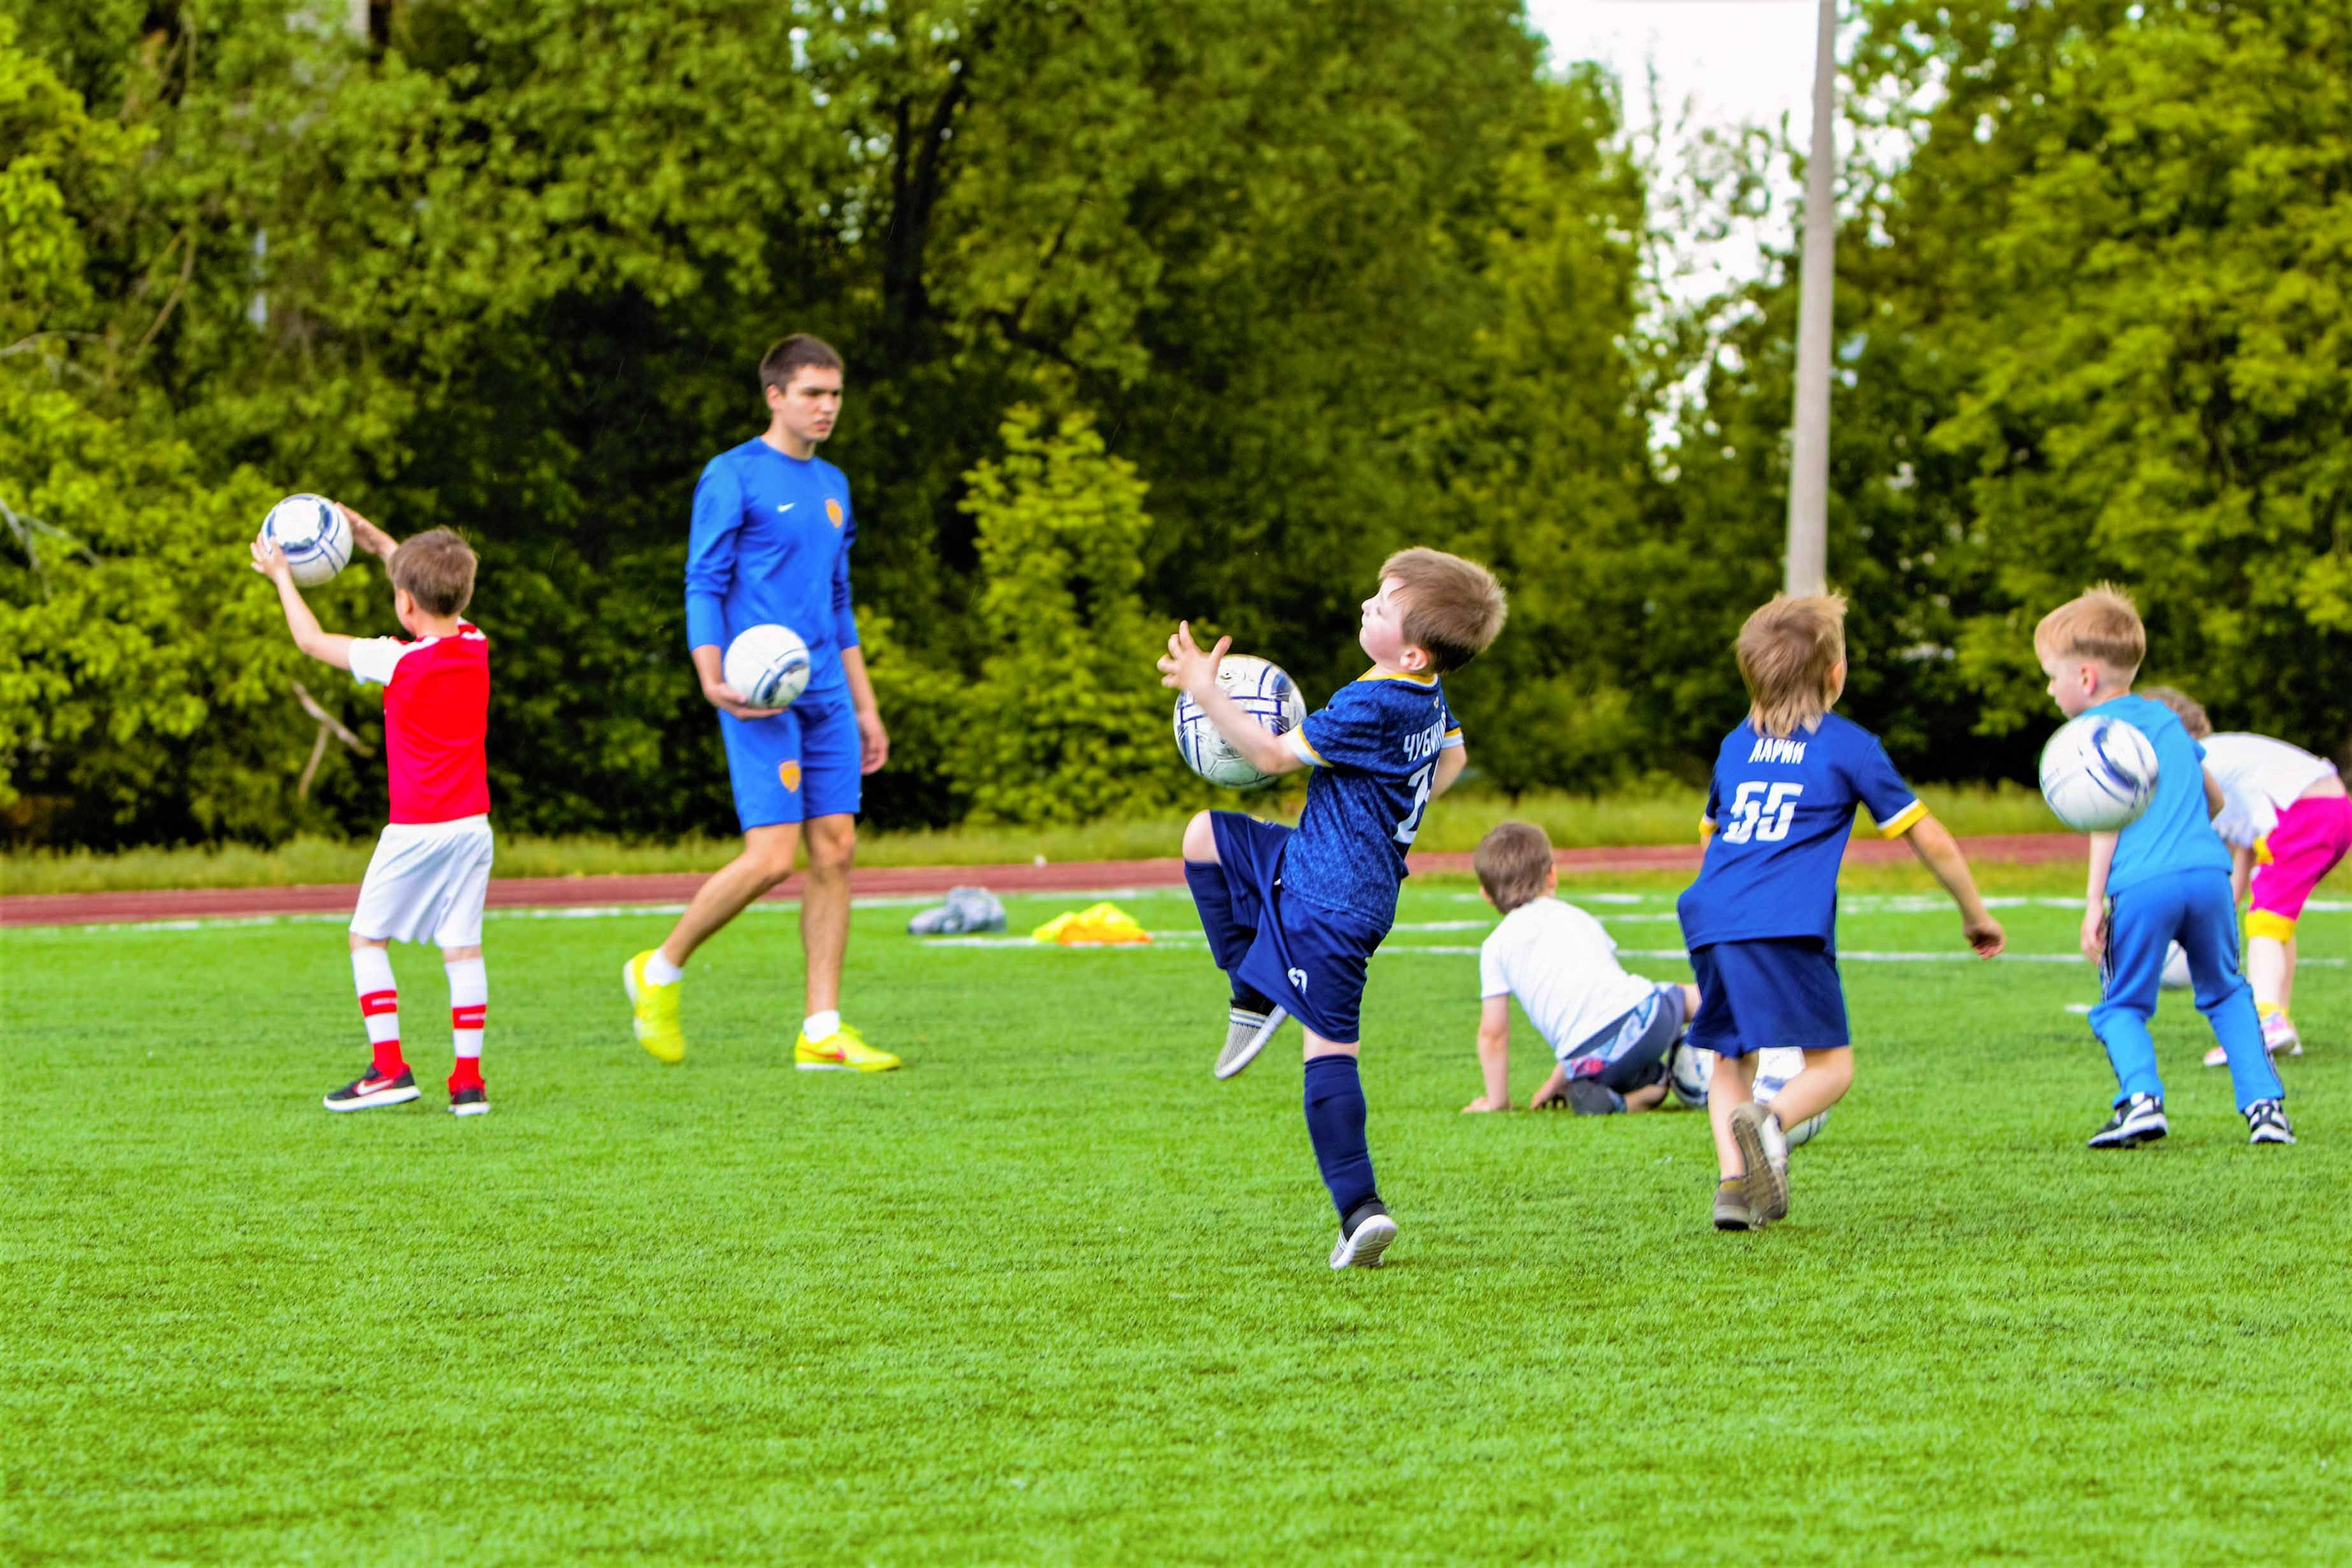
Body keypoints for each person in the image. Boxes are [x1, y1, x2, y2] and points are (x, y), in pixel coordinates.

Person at [1159, 547, 1508, 1270]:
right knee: (1204, 837)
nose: (1365, 607)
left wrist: (1203, 686)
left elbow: (1271, 753)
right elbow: (1452, 758)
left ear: (1411, 647)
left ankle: (1360, 1210)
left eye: (1381, 605)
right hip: (1328, 868)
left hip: (1328, 900)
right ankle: (1253, 988)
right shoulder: (1425, 691)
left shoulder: (1369, 703)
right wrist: (1387, 815)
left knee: (1329, 1050)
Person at [1678, 593, 2005, 1232]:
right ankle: (1769, 1123)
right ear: (1836, 673)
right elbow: (1926, 833)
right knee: (1831, 1065)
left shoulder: (1734, 746)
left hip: (1711, 915)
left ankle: (1733, 1187)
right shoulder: (1848, 746)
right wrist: (1974, 912)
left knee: (1729, 1061)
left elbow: (1710, 834)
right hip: (1788, 922)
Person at [624, 334, 896, 1072]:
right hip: (755, 692)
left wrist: (866, 706)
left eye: (835, 394)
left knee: (836, 849)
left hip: (828, 691)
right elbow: (702, 582)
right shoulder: (732, 474)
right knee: (772, 856)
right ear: (774, 395)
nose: (827, 406)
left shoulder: (835, 484)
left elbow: (839, 604)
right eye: (812, 393)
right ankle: (660, 969)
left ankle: (822, 1029)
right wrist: (711, 676)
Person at [251, 506, 495, 1116]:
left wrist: (281, 573)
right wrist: (378, 542)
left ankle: (389, 1068)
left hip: (416, 830)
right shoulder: (476, 644)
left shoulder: (396, 659)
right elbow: (433, 589)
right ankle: (468, 1083)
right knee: (462, 948)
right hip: (472, 827)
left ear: (404, 605)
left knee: (366, 938)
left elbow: (308, 640)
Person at [2037, 589, 2291, 1148]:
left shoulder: (2091, 739)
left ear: (2084, 677)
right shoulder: (2167, 719)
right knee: (2227, 992)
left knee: (2119, 1004)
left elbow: (2107, 826)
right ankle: (2265, 1110)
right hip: (2208, 876)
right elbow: (2216, 800)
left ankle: (2141, 1102)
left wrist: (2092, 906)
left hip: (2142, 884)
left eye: (2050, 677)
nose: (2049, 689)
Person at [2139, 687, 2347, 1066]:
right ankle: (2280, 1020)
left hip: (2302, 811)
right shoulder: (2229, 763)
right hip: (2333, 811)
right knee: (2276, 919)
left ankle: (2266, 1020)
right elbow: (2244, 854)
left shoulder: (2199, 759)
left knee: (2266, 920)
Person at [1461, 820, 1700, 1116]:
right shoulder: (1577, 917)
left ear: (1486, 894)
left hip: (1595, 1061)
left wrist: (1498, 1103)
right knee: (1685, 996)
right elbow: (1600, 996)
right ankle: (1740, 1018)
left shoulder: (1495, 946)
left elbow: (1494, 1034)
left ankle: (1639, 1095)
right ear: (1552, 874)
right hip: (1651, 1020)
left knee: (1583, 1089)